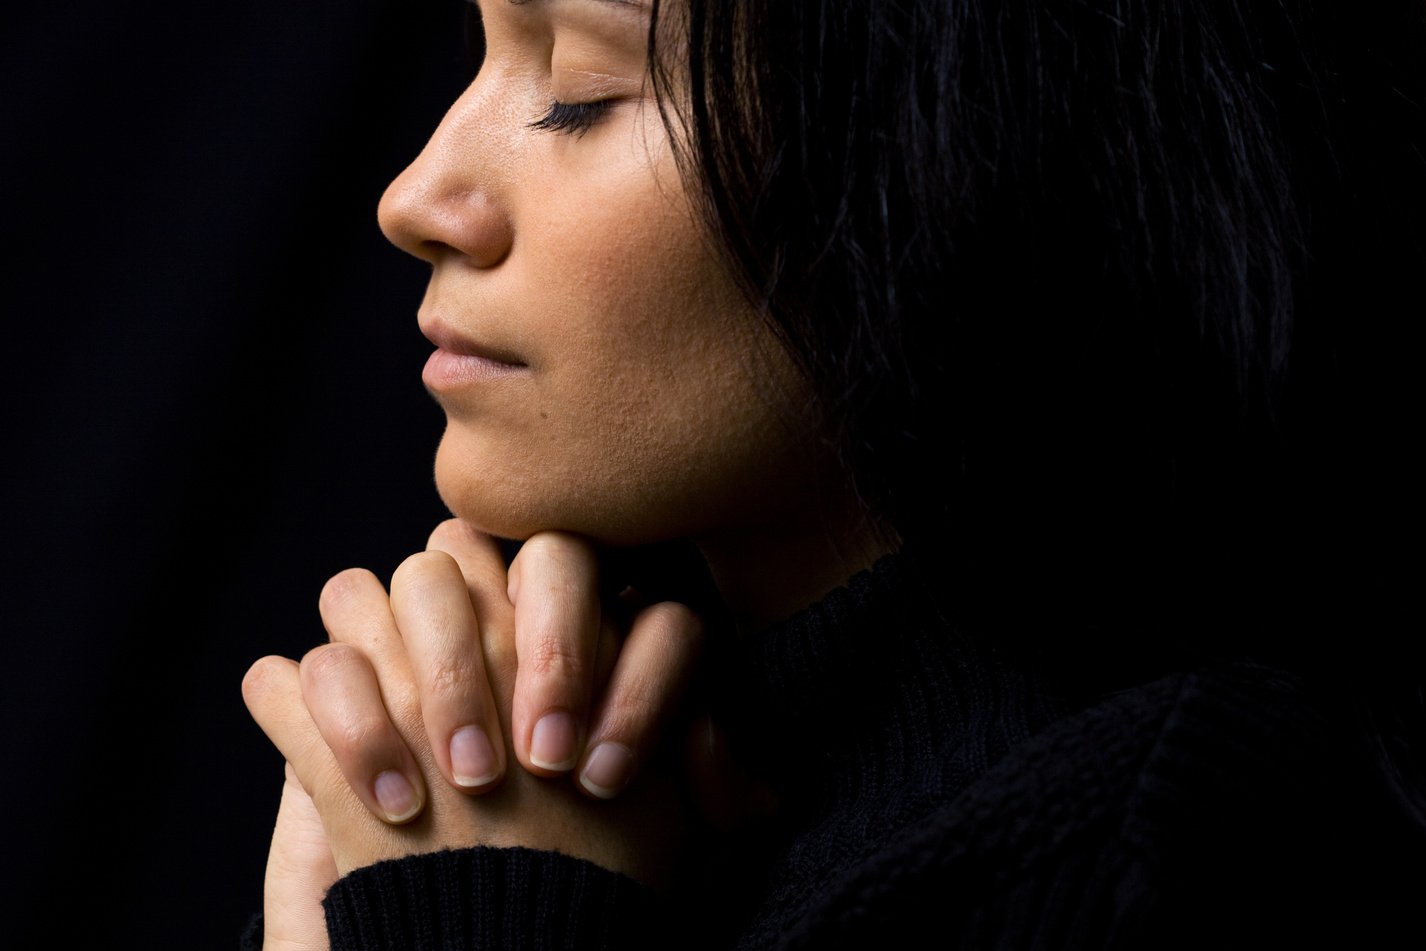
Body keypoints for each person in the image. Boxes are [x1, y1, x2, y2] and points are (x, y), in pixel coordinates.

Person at [243, 0, 1426, 947]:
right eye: (484, 54)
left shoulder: (1167, 848)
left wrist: (476, 916)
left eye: (578, 97)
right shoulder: (549, 770)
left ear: (959, 141)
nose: (416, 200)